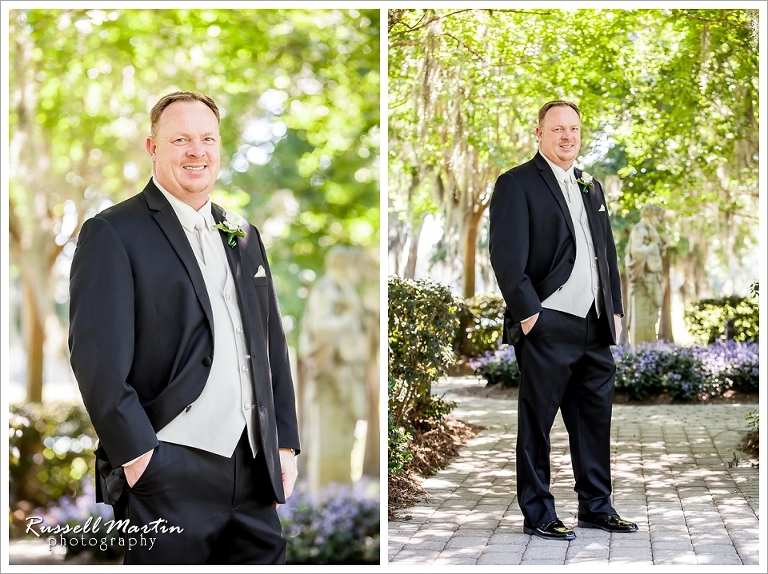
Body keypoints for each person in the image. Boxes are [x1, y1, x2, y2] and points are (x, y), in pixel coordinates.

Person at [68, 91, 301, 564]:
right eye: (181, 139)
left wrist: (284, 443)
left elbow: (270, 345)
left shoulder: (244, 235)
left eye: (207, 139)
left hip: (254, 469)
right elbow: (98, 362)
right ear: (153, 148)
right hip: (167, 468)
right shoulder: (113, 232)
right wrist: (140, 459)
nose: (197, 151)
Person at [488, 100, 637, 541]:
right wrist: (531, 316)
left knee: (594, 420)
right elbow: (506, 259)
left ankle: (597, 507)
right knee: (537, 423)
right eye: (558, 130)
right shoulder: (515, 184)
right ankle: (538, 513)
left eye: (573, 129)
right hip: (548, 323)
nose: (567, 137)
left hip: (594, 326)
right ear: (539, 133)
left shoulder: (592, 187)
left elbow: (605, 253)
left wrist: (614, 312)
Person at [625, 204, 665, 347]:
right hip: (644, 279)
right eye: (657, 217)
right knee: (642, 315)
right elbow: (637, 252)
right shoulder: (640, 229)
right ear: (650, 215)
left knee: (652, 315)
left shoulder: (649, 230)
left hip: (654, 277)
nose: (658, 221)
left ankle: (649, 351)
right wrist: (653, 243)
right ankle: (642, 351)